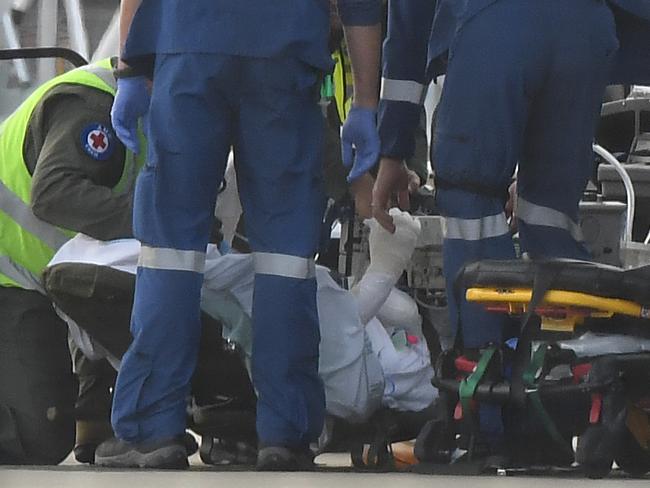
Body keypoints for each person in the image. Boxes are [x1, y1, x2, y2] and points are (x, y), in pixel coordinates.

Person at [98, 0, 384, 470]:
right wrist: (366, 105)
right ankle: (285, 433)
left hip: (189, 48)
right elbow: (360, 6)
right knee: (285, 256)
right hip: (284, 56)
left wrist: (129, 72)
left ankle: (153, 429)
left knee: (171, 248)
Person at [372, 0, 650, 462]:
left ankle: (482, 418)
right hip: (585, 28)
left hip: (495, 23)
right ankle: (563, 409)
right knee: (550, 219)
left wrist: (391, 149)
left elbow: (408, 28)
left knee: (471, 201)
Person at [45, 207, 438, 461]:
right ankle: (277, 435)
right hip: (273, 334)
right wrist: (387, 265)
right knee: (294, 288)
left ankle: (149, 430)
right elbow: (337, 331)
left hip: (135, 272)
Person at [0, 58, 144, 464]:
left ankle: (96, 412)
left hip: (42, 276)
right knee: (36, 438)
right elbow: (55, 194)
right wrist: (160, 220)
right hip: (9, 272)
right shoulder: (94, 105)